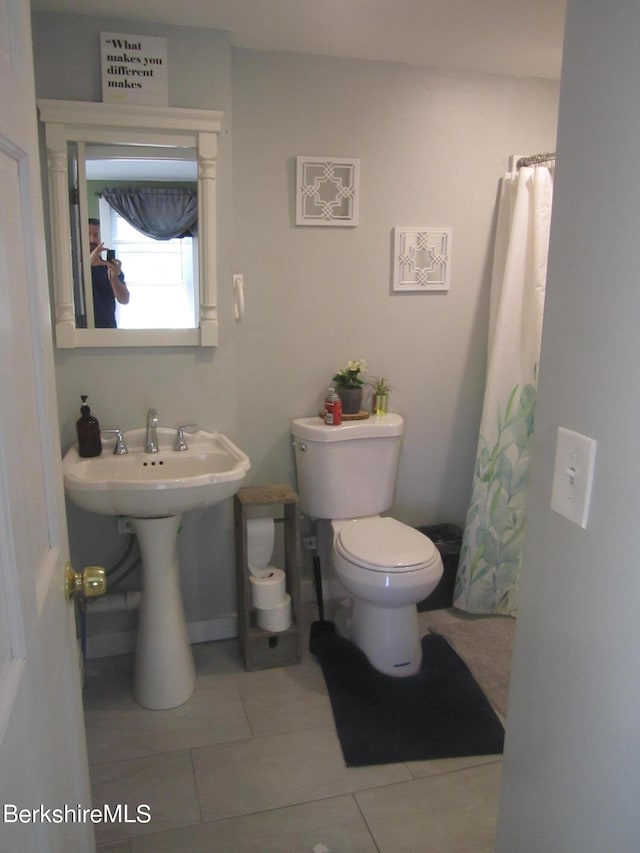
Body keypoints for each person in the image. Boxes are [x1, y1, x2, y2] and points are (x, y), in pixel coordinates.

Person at [88, 218, 130, 328]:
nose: (92, 240)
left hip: (108, 330)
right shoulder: (72, 269)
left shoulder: (110, 268)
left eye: (96, 235)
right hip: (82, 331)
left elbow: (124, 299)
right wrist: (88, 266)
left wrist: (114, 278)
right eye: (88, 235)